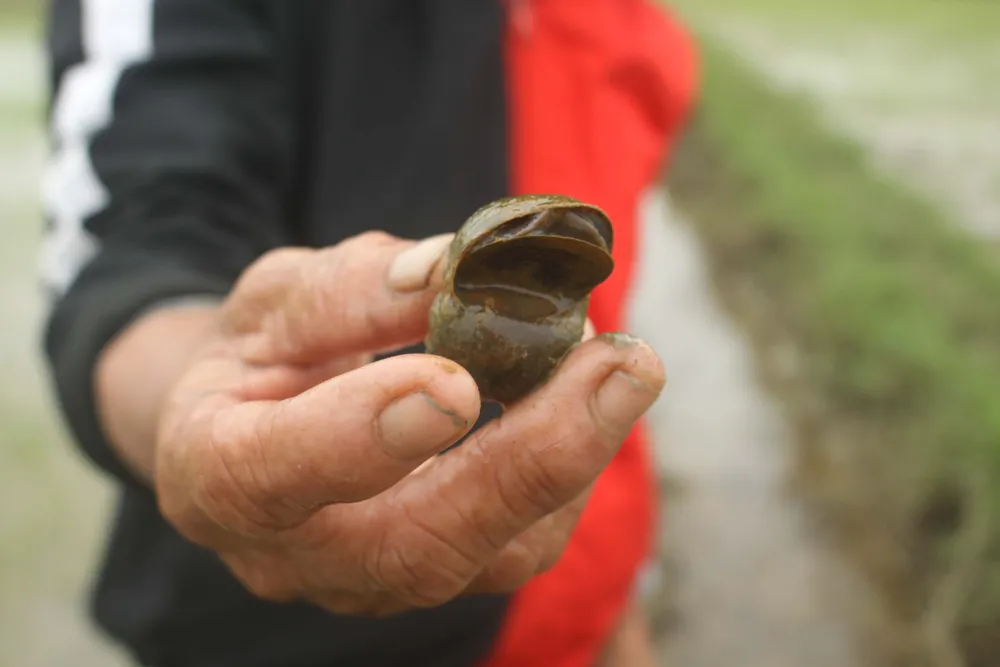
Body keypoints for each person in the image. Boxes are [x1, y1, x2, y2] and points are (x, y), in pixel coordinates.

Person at [38, 1, 697, 666]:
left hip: (574, 612)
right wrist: (199, 403)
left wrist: (615, 608)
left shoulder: (628, 24)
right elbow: (136, 237)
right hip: (289, 640)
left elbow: (603, 302)